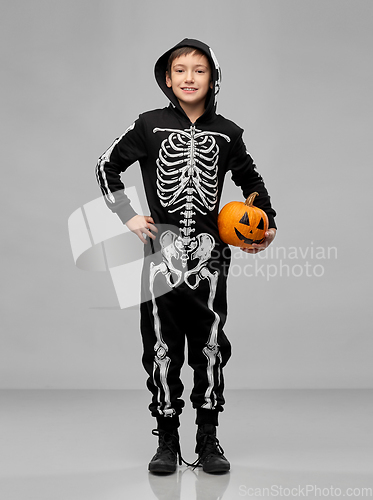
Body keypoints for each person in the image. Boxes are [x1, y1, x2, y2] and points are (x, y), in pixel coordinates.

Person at [95, 38, 277, 474]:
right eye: (180, 70)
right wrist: (128, 215)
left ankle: (208, 438)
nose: (189, 77)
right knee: (160, 346)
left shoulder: (228, 132)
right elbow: (106, 165)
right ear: (167, 78)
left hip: (211, 256)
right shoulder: (149, 125)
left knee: (211, 346)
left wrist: (266, 224)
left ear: (213, 78)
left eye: (199, 70)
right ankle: (167, 438)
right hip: (161, 253)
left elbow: (251, 182)